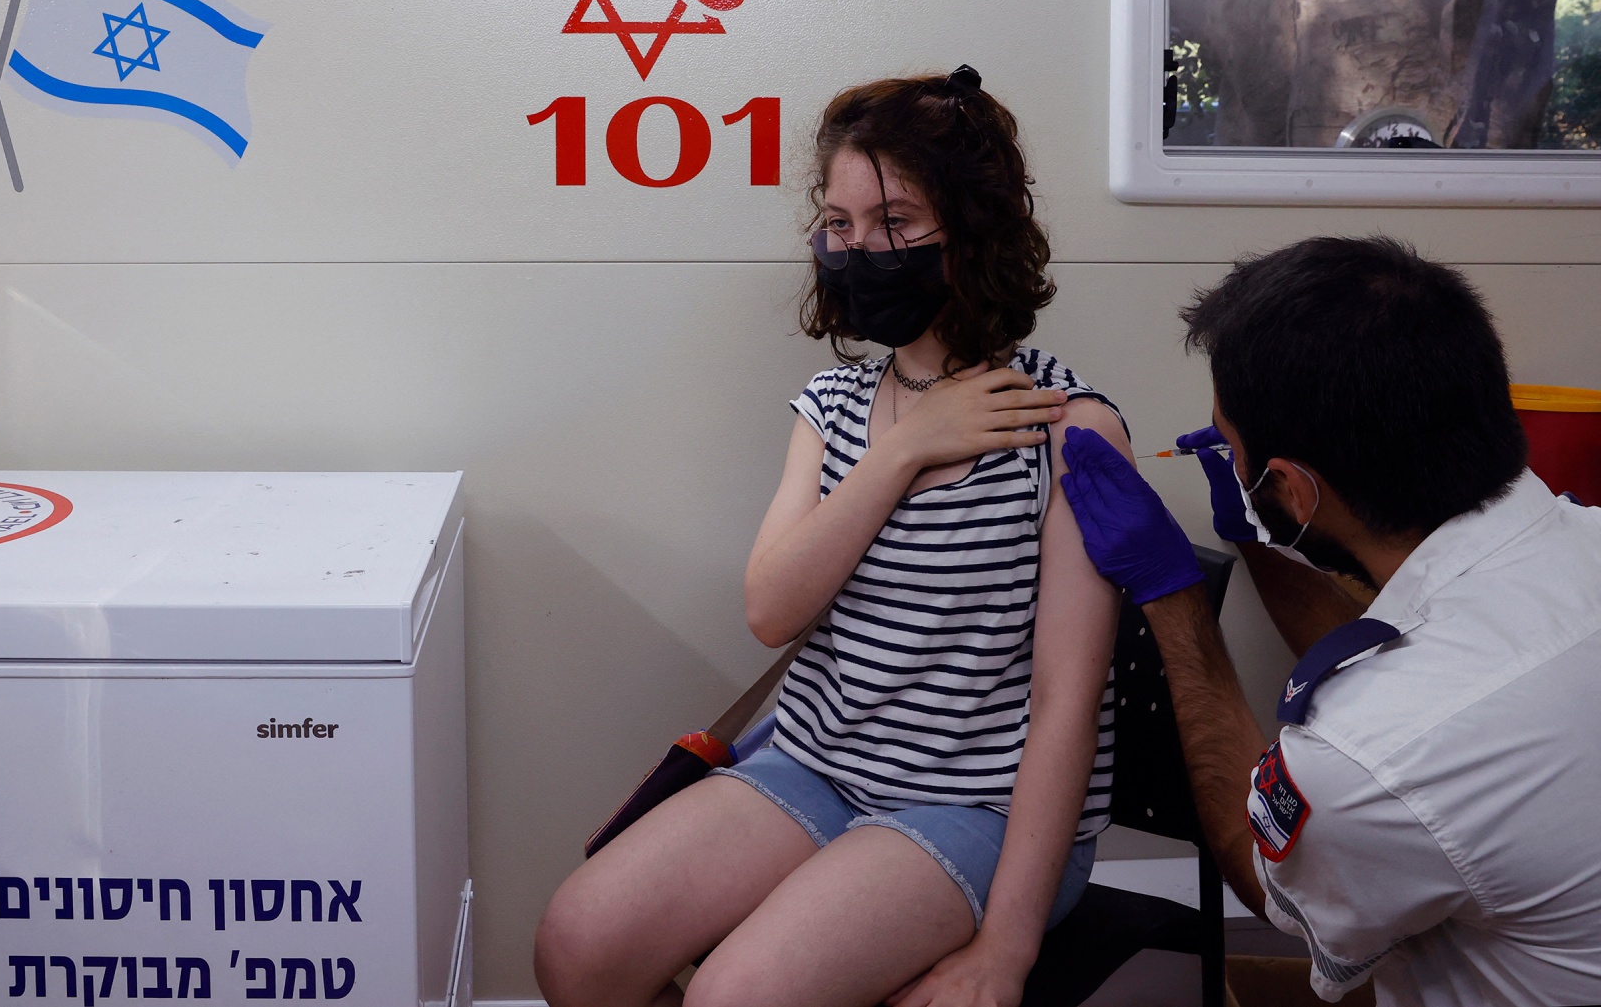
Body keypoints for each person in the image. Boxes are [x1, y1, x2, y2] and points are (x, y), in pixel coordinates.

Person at [534, 67, 1135, 1007]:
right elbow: (771, 609)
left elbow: (1069, 701)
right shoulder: (832, 408)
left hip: (976, 807)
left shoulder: (1070, 426)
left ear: (973, 227)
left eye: (895, 221)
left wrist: (1006, 948)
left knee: (733, 997)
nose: (861, 249)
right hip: (816, 766)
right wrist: (905, 450)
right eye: (840, 224)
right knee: (576, 942)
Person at [1060, 236, 1601, 1007]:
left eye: (1236, 448)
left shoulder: (1368, 757)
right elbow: (1416, 663)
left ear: (1290, 486)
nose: (1233, 462)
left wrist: (1173, 597)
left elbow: (1268, 876)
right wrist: (1261, 538)